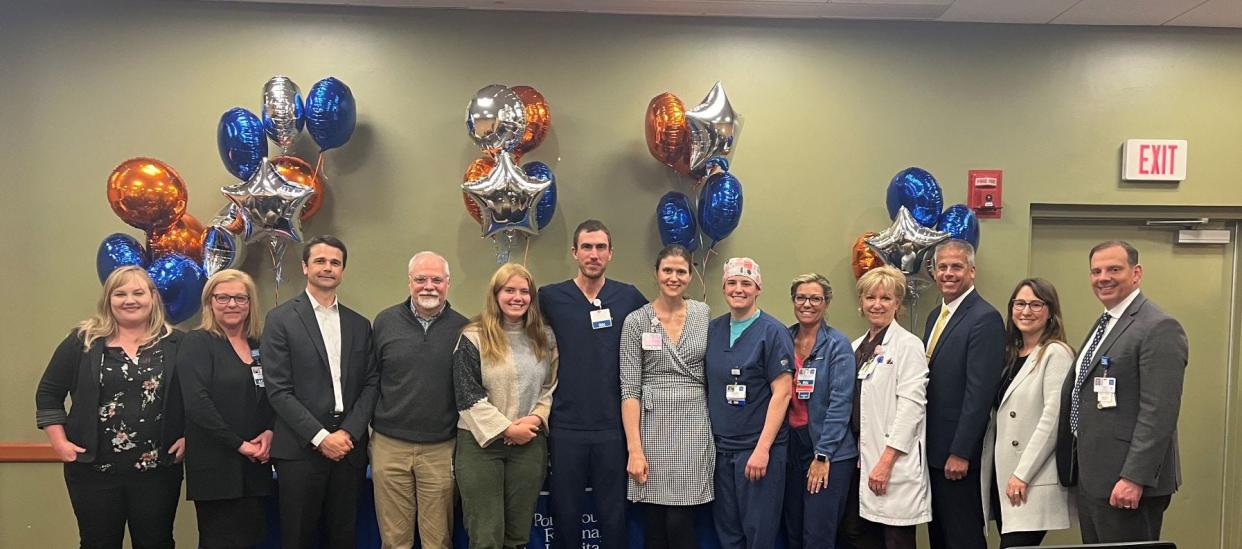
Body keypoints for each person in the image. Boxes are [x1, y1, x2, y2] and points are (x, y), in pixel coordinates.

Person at [35, 265, 186, 549]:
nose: (130, 300)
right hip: (93, 472)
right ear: (108, 300)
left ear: (153, 297)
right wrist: (60, 444)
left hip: (157, 472)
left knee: (157, 542)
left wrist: (189, 435)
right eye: (120, 293)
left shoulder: (177, 343)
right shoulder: (83, 341)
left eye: (138, 292)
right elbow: (48, 393)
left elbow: (197, 398)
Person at [1055, 240, 1188, 543]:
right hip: (1095, 479)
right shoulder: (1107, 321)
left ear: (1136, 273)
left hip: (1127, 483)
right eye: (1096, 271)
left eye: (1114, 269)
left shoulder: (1158, 326)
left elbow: (1159, 413)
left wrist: (1133, 477)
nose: (1103, 277)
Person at [261, 235, 379, 549]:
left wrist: (348, 434)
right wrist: (321, 437)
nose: (328, 268)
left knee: (343, 537)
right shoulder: (280, 319)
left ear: (342, 270)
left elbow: (370, 384)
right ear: (305, 267)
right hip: (301, 452)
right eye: (320, 261)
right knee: (298, 538)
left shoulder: (359, 324)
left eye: (335, 263)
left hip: (348, 450)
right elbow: (278, 389)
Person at [538, 219, 647, 549]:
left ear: (611, 254)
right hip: (566, 427)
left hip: (612, 428)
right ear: (575, 253)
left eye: (601, 247)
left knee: (613, 515)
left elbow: (659, 333)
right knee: (565, 514)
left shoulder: (628, 297)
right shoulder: (551, 297)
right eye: (587, 247)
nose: (594, 254)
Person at [454, 263, 559, 549]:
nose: (517, 297)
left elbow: (549, 387)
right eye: (509, 290)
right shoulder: (473, 336)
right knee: (486, 534)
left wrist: (534, 421)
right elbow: (467, 394)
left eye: (524, 291)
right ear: (495, 294)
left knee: (517, 535)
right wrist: (506, 429)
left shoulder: (544, 338)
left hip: (529, 443)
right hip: (481, 446)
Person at [371, 251, 470, 549]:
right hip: (389, 446)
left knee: (438, 540)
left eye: (436, 280)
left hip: (440, 449)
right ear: (409, 282)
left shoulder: (464, 329)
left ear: (448, 283)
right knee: (394, 540)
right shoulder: (385, 322)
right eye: (421, 279)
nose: (429, 286)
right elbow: (370, 381)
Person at [619, 245, 714, 549]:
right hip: (652, 427)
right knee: (655, 522)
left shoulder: (704, 314)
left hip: (692, 425)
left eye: (681, 271)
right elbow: (630, 389)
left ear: (690, 276)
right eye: (667, 270)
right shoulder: (636, 321)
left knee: (681, 521)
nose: (674, 277)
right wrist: (635, 449)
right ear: (656, 273)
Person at [179, 268, 274, 549]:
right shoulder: (197, 343)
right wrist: (239, 444)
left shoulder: (260, 345)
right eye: (223, 298)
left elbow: (272, 396)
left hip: (255, 465)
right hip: (215, 466)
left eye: (240, 298)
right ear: (210, 302)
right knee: (219, 541)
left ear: (250, 303)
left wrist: (270, 432)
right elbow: (197, 403)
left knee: (252, 539)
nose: (232, 305)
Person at [705, 257, 794, 549]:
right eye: (732, 283)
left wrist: (762, 449)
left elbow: (782, 393)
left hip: (757, 449)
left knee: (759, 532)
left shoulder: (773, 332)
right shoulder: (713, 330)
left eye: (746, 283)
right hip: (722, 448)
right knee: (728, 531)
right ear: (723, 288)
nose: (738, 289)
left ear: (758, 288)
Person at [922, 239, 1005, 549]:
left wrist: (961, 452)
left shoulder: (985, 318)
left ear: (972, 271)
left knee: (963, 537)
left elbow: (979, 394)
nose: (948, 273)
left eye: (956, 266)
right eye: (942, 267)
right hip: (931, 451)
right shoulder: (935, 316)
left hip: (957, 456)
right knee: (939, 537)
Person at [840, 266, 930, 549]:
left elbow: (912, 407)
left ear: (898, 304)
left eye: (886, 298)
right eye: (870, 297)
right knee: (858, 534)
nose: (877, 304)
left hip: (892, 462)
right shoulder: (855, 346)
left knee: (896, 539)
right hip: (860, 459)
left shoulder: (908, 346)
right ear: (861, 303)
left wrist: (886, 461)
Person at [980, 278, 1074, 548]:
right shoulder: (1010, 354)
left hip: (1030, 477)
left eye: (1036, 304)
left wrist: (1022, 474)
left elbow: (1052, 419)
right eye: (1020, 303)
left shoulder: (1056, 354)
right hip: (1002, 473)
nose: (1026, 311)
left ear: (1050, 311)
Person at [781, 273, 856, 549]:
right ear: (793, 301)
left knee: (818, 536)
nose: (807, 304)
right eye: (801, 297)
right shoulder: (783, 338)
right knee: (794, 531)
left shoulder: (838, 345)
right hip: (791, 448)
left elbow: (840, 403)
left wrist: (823, 455)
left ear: (826, 303)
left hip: (828, 452)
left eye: (815, 298)